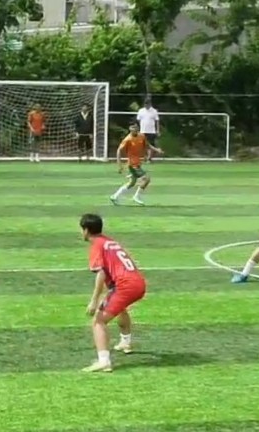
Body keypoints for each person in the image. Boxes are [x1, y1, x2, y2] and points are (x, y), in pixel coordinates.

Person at [80, 213, 146, 373]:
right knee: (120, 308)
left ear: (86, 230)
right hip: (138, 283)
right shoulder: (110, 242)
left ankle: (104, 361)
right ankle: (126, 342)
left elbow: (101, 273)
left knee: (98, 321)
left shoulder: (97, 245)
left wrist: (94, 300)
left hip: (125, 286)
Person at [111, 123, 162, 205]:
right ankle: (136, 196)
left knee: (132, 183)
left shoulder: (141, 136)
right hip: (133, 164)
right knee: (146, 179)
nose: (135, 130)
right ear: (130, 130)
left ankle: (115, 196)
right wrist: (119, 165)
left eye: (136, 128)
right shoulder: (128, 139)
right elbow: (119, 150)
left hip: (137, 163)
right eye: (133, 129)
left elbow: (148, 145)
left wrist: (156, 150)